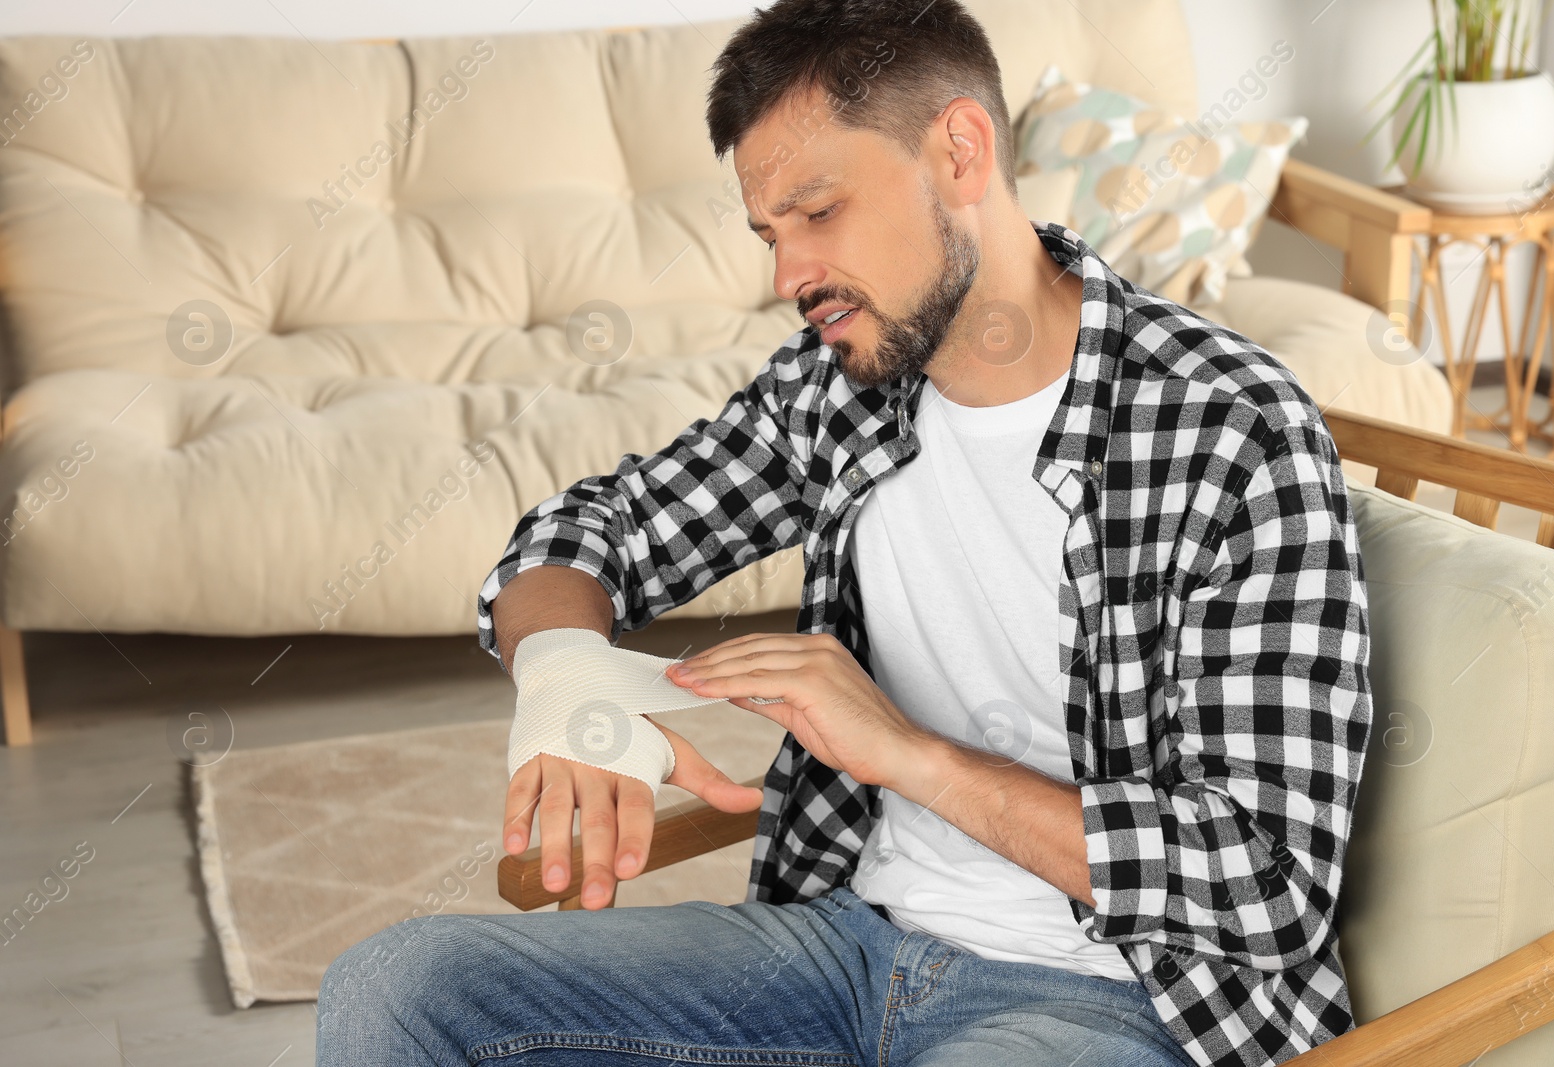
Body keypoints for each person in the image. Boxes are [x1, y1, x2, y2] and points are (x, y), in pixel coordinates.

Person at [316, 1, 1372, 1064]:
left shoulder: (1229, 430)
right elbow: (596, 527)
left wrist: (906, 753)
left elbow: (1265, 884)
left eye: (817, 211)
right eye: (771, 232)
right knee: (398, 990)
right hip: (847, 950)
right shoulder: (840, 394)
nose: (788, 275)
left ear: (960, 150)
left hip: (1113, 994)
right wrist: (561, 670)